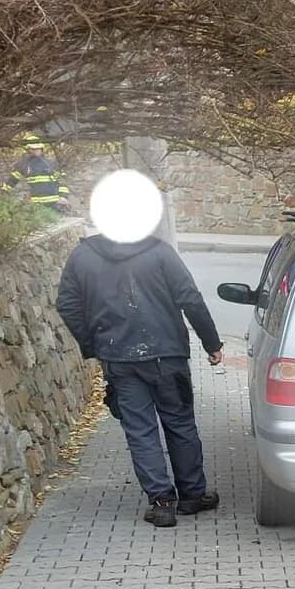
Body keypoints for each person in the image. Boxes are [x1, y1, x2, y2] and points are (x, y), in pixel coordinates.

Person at [57, 223, 225, 527]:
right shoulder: (159, 252)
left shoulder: (83, 255)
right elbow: (190, 298)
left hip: (118, 357)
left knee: (140, 430)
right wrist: (211, 343)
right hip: (167, 354)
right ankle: (192, 495)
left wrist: (92, 344)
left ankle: (161, 503)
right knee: (180, 423)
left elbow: (67, 304)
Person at [8, 136, 68, 211]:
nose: (36, 151)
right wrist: (2, 192)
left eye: (38, 149)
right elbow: (11, 181)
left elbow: (62, 181)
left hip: (54, 203)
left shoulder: (51, 163)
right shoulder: (23, 165)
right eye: (33, 149)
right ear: (27, 150)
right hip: (36, 205)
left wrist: (63, 196)